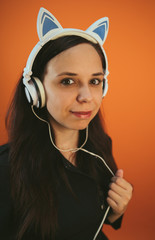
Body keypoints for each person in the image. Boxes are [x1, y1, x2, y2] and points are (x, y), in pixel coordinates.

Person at [0, 7, 133, 240]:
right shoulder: (6, 169)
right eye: (68, 81)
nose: (87, 97)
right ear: (36, 89)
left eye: (95, 81)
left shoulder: (99, 146)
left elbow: (99, 221)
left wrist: (116, 211)